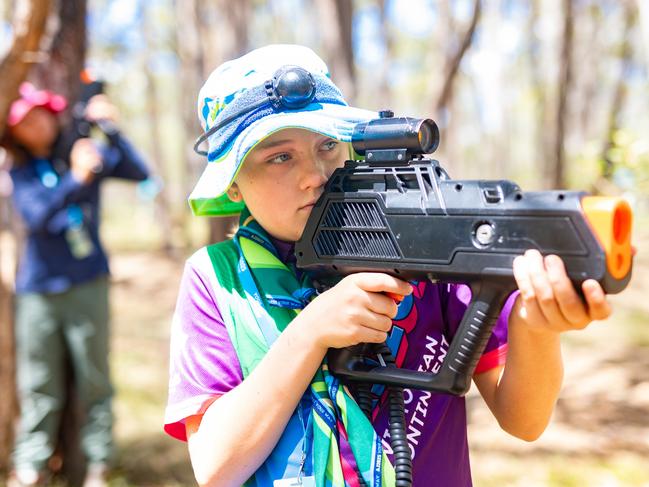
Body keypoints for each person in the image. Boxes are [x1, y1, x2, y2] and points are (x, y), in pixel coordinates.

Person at [164, 44, 612, 487]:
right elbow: (216, 467)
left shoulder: (422, 241)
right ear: (233, 184)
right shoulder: (218, 279)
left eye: (327, 145)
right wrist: (311, 331)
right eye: (280, 157)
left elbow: (525, 420)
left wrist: (536, 327)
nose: (314, 174)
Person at [1, 81, 150, 487]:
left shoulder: (82, 150)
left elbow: (139, 171)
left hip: (89, 283)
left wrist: (109, 129)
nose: (38, 124)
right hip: (37, 292)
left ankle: (99, 466)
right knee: (39, 385)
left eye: (43, 114)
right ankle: (30, 467)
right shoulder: (20, 169)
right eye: (27, 119)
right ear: (15, 130)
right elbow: (37, 219)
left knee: (95, 380)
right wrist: (77, 180)